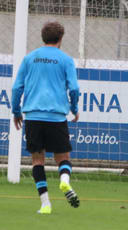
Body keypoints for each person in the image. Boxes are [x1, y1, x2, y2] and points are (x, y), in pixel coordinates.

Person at [11, 21, 80, 214]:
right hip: (56, 117)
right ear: (60, 38)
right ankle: (65, 182)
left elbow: (17, 88)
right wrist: (74, 108)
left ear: (43, 37)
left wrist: (16, 112)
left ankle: (45, 204)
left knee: (37, 160)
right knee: (63, 158)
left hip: (33, 116)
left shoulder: (29, 58)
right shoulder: (66, 60)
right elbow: (74, 88)